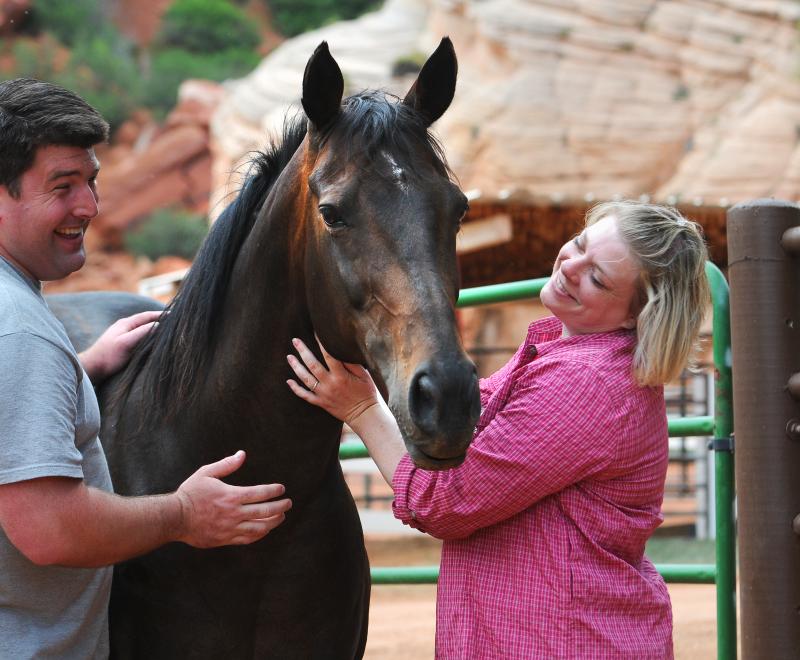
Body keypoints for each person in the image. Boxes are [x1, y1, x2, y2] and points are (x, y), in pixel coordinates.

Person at [287, 199, 710, 658]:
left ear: (635, 316)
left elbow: (443, 499)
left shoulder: (586, 384)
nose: (571, 266)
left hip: (558, 639)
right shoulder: (560, 354)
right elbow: (467, 428)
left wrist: (362, 408)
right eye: (580, 245)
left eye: (598, 278)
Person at [0, 78, 292, 659]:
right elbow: (48, 529)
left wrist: (78, 370)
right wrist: (184, 514)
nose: (88, 206)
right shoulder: (21, 334)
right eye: (62, 187)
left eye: (91, 181)